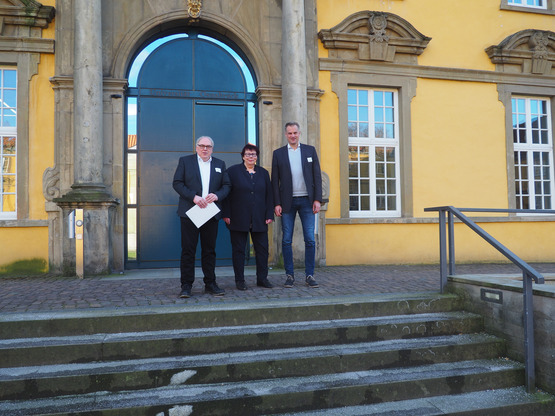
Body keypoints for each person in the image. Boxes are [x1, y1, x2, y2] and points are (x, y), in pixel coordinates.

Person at [172, 136, 231, 298]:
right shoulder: (185, 161)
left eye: (208, 146)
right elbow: (177, 183)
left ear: (212, 148)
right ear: (196, 147)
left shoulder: (220, 164)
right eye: (202, 146)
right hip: (190, 212)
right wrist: (194, 197)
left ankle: (210, 284)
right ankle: (186, 286)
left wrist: (217, 195)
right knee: (188, 251)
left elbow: (227, 186)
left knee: (209, 251)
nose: (205, 149)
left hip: (210, 213)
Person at [271, 121, 323, 288]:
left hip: (308, 201)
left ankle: (309, 275)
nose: (292, 135)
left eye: (295, 132)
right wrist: (277, 203)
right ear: (285, 134)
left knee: (310, 239)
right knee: (286, 240)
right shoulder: (278, 154)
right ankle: (290, 275)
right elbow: (274, 182)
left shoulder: (310, 150)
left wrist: (317, 199)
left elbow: (317, 177)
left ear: (299, 133)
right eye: (289, 133)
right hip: (287, 202)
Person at [223, 144, 274, 290]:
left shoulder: (264, 173)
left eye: (253, 154)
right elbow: (226, 195)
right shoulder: (232, 172)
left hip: (260, 218)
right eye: (248, 154)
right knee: (238, 250)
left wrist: (269, 214)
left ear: (257, 156)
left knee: (262, 250)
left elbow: (269, 195)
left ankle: (262, 279)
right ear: (243, 156)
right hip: (238, 217)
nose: (251, 157)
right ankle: (240, 281)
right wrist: (226, 213)